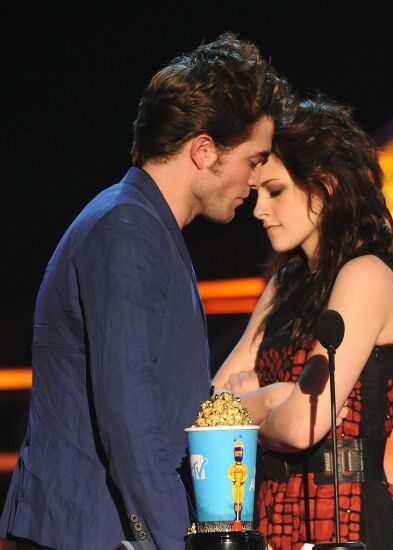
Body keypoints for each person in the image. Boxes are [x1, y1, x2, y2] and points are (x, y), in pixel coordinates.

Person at [0, 33, 296, 550]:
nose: (255, 182)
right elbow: (131, 423)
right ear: (204, 150)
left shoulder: (146, 228)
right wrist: (176, 543)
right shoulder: (127, 230)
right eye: (253, 160)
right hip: (90, 534)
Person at [213, 97, 393, 550]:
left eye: (275, 191)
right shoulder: (284, 285)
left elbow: (300, 426)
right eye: (257, 193)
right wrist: (274, 398)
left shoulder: (365, 275)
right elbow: (213, 412)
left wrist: (253, 403)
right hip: (271, 521)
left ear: (325, 187)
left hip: (346, 522)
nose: (258, 210)